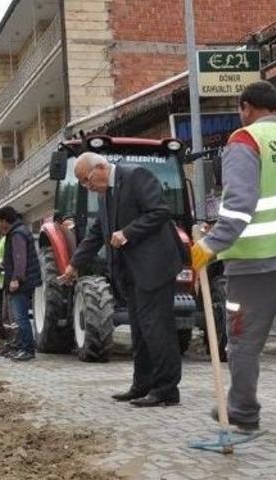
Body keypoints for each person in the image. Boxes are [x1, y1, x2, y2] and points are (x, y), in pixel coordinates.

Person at [191, 81, 276, 447]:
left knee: (243, 342)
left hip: (255, 261)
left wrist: (210, 245)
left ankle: (243, 410)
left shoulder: (246, 139)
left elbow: (239, 203)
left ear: (246, 107)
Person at [58, 152, 183, 407]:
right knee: (140, 331)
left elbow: (160, 211)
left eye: (86, 180)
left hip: (154, 268)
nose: (86, 186)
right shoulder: (105, 195)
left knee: (157, 330)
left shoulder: (136, 176)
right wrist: (74, 265)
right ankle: (142, 384)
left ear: (100, 167)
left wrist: (127, 232)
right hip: (132, 274)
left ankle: (167, 390)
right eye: (82, 182)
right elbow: (96, 234)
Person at [0, 206, 42, 361]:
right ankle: (20, 346)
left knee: (21, 318)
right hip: (23, 281)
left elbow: (20, 259)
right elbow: (10, 260)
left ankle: (27, 349)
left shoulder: (17, 234)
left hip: (22, 283)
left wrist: (16, 279)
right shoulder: (16, 232)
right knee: (18, 317)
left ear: (3, 220)